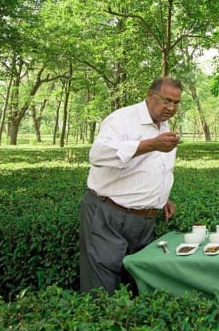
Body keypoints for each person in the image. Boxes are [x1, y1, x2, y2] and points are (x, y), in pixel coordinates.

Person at [79, 77, 182, 294]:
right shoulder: (122, 120)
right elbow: (98, 155)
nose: (171, 108)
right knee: (102, 286)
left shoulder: (163, 125)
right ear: (149, 95)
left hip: (144, 221)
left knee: (136, 284)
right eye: (166, 101)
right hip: (109, 215)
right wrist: (150, 144)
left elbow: (153, 167)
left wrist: (161, 197)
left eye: (176, 103)